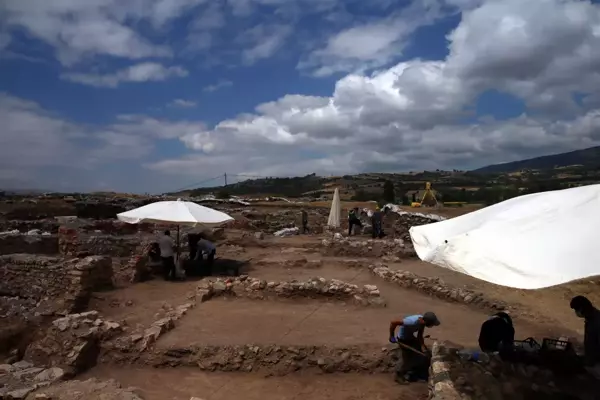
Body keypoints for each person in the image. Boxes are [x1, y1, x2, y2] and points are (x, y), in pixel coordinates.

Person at [389, 312, 440, 383]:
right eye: (432, 324)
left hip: (410, 337)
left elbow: (419, 336)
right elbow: (393, 322)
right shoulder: (411, 322)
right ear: (428, 322)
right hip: (403, 339)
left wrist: (423, 348)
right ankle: (398, 376)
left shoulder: (422, 322)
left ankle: (414, 373)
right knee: (407, 358)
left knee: (421, 354)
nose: (432, 326)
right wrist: (391, 336)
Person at [570, 295, 600, 376]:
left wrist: (590, 362)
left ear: (582, 309)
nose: (576, 312)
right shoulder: (591, 319)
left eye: (576, 310)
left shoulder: (596, 322)